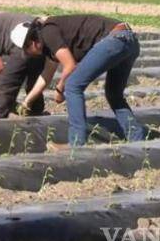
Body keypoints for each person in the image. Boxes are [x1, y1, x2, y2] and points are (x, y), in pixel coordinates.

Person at [9, 14, 150, 149]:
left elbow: (70, 65)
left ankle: (76, 143)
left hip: (115, 39)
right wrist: (26, 102)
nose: (28, 54)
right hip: (128, 40)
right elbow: (46, 75)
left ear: (31, 43)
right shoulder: (49, 43)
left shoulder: (48, 32)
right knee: (114, 94)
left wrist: (60, 89)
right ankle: (137, 139)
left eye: (26, 50)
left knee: (73, 85)